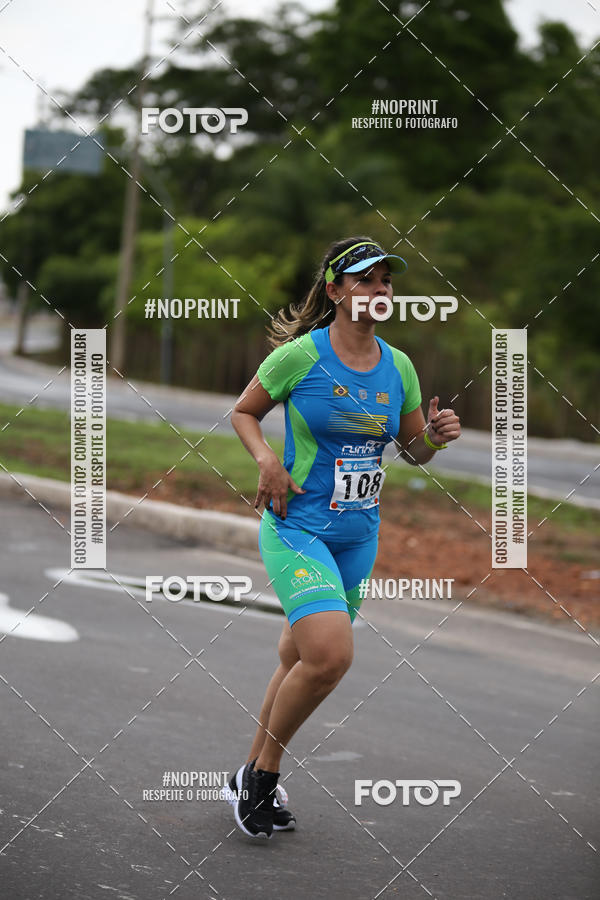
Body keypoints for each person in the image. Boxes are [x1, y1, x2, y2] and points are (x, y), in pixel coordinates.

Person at [224, 236, 461, 839]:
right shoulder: (301, 357)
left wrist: (434, 435)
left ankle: (246, 770)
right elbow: (244, 411)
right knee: (329, 658)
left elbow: (409, 450)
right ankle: (263, 778)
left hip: (357, 536)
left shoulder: (398, 366)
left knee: (298, 657)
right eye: (365, 280)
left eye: (386, 282)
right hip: (297, 526)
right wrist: (265, 461)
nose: (379, 291)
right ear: (335, 291)